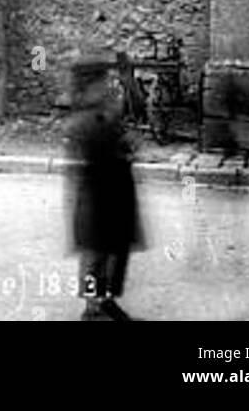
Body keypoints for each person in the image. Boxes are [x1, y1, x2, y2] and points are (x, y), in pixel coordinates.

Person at [65, 58, 144, 321]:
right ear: (87, 88)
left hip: (114, 194)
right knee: (96, 254)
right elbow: (97, 153)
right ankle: (92, 308)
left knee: (115, 251)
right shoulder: (83, 121)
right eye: (100, 83)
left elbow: (132, 115)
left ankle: (106, 300)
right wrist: (122, 147)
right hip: (97, 198)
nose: (106, 87)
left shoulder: (104, 112)